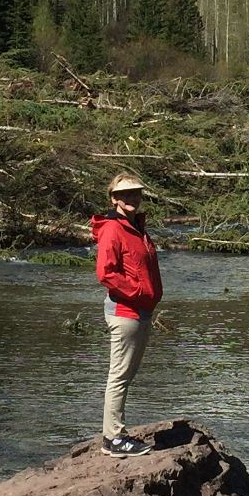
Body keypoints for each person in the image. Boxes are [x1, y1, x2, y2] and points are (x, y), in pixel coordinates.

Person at [92, 172, 163, 457]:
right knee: (119, 376)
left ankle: (115, 434)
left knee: (125, 374)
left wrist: (147, 298)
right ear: (114, 199)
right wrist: (138, 293)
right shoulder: (113, 228)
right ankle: (113, 439)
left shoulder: (136, 227)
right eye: (125, 194)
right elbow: (105, 273)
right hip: (126, 311)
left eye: (135, 193)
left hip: (140, 311)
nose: (132, 198)